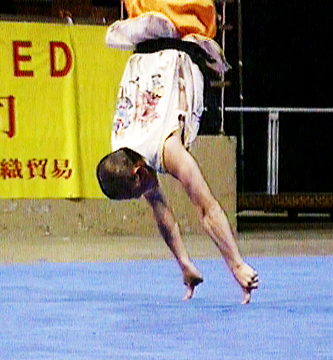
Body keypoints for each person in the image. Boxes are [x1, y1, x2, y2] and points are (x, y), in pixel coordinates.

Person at [97, 0, 259, 304]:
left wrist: (236, 264)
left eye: (138, 189)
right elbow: (162, 213)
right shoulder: (121, 146)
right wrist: (184, 263)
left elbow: (206, 208)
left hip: (182, 19)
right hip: (146, 14)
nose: (146, 192)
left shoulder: (166, 149)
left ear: (137, 173)